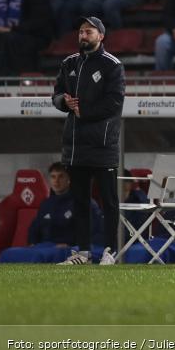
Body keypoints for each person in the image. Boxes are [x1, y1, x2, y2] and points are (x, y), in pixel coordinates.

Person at [52, 16, 124, 265]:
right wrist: (64, 102)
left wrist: (85, 111)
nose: (83, 35)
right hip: (75, 144)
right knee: (80, 200)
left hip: (103, 144)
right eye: (81, 31)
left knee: (109, 201)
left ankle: (110, 250)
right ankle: (82, 252)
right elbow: (57, 94)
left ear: (101, 36)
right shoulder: (68, 63)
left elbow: (115, 102)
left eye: (89, 32)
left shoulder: (112, 65)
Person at [0, 163, 103, 264]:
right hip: (45, 246)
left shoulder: (83, 203)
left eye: (61, 176)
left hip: (69, 248)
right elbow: (35, 228)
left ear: (69, 179)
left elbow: (94, 233)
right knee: (6, 254)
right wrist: (32, 243)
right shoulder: (46, 204)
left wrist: (72, 245)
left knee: (38, 256)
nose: (56, 181)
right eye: (53, 177)